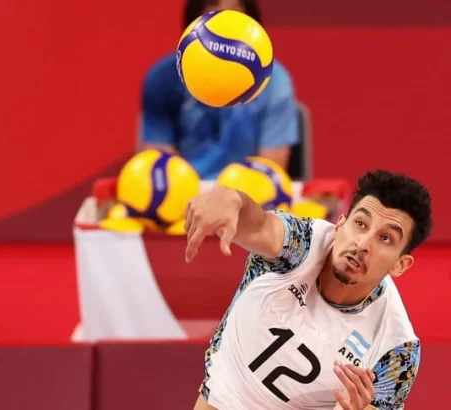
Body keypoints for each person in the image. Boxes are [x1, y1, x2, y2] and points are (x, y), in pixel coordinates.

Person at [184, 170, 431, 409]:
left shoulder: (397, 348)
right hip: (222, 397)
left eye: (385, 238)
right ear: (339, 224)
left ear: (400, 265)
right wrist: (234, 200)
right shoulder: (300, 243)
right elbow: (259, 225)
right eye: (360, 223)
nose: (363, 243)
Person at [139, 0, 300, 179]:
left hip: (247, 190)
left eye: (235, 16)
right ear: (194, 23)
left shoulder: (275, 80)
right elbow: (161, 169)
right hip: (185, 191)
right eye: (214, 14)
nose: (225, 27)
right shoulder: (161, 78)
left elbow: (270, 170)